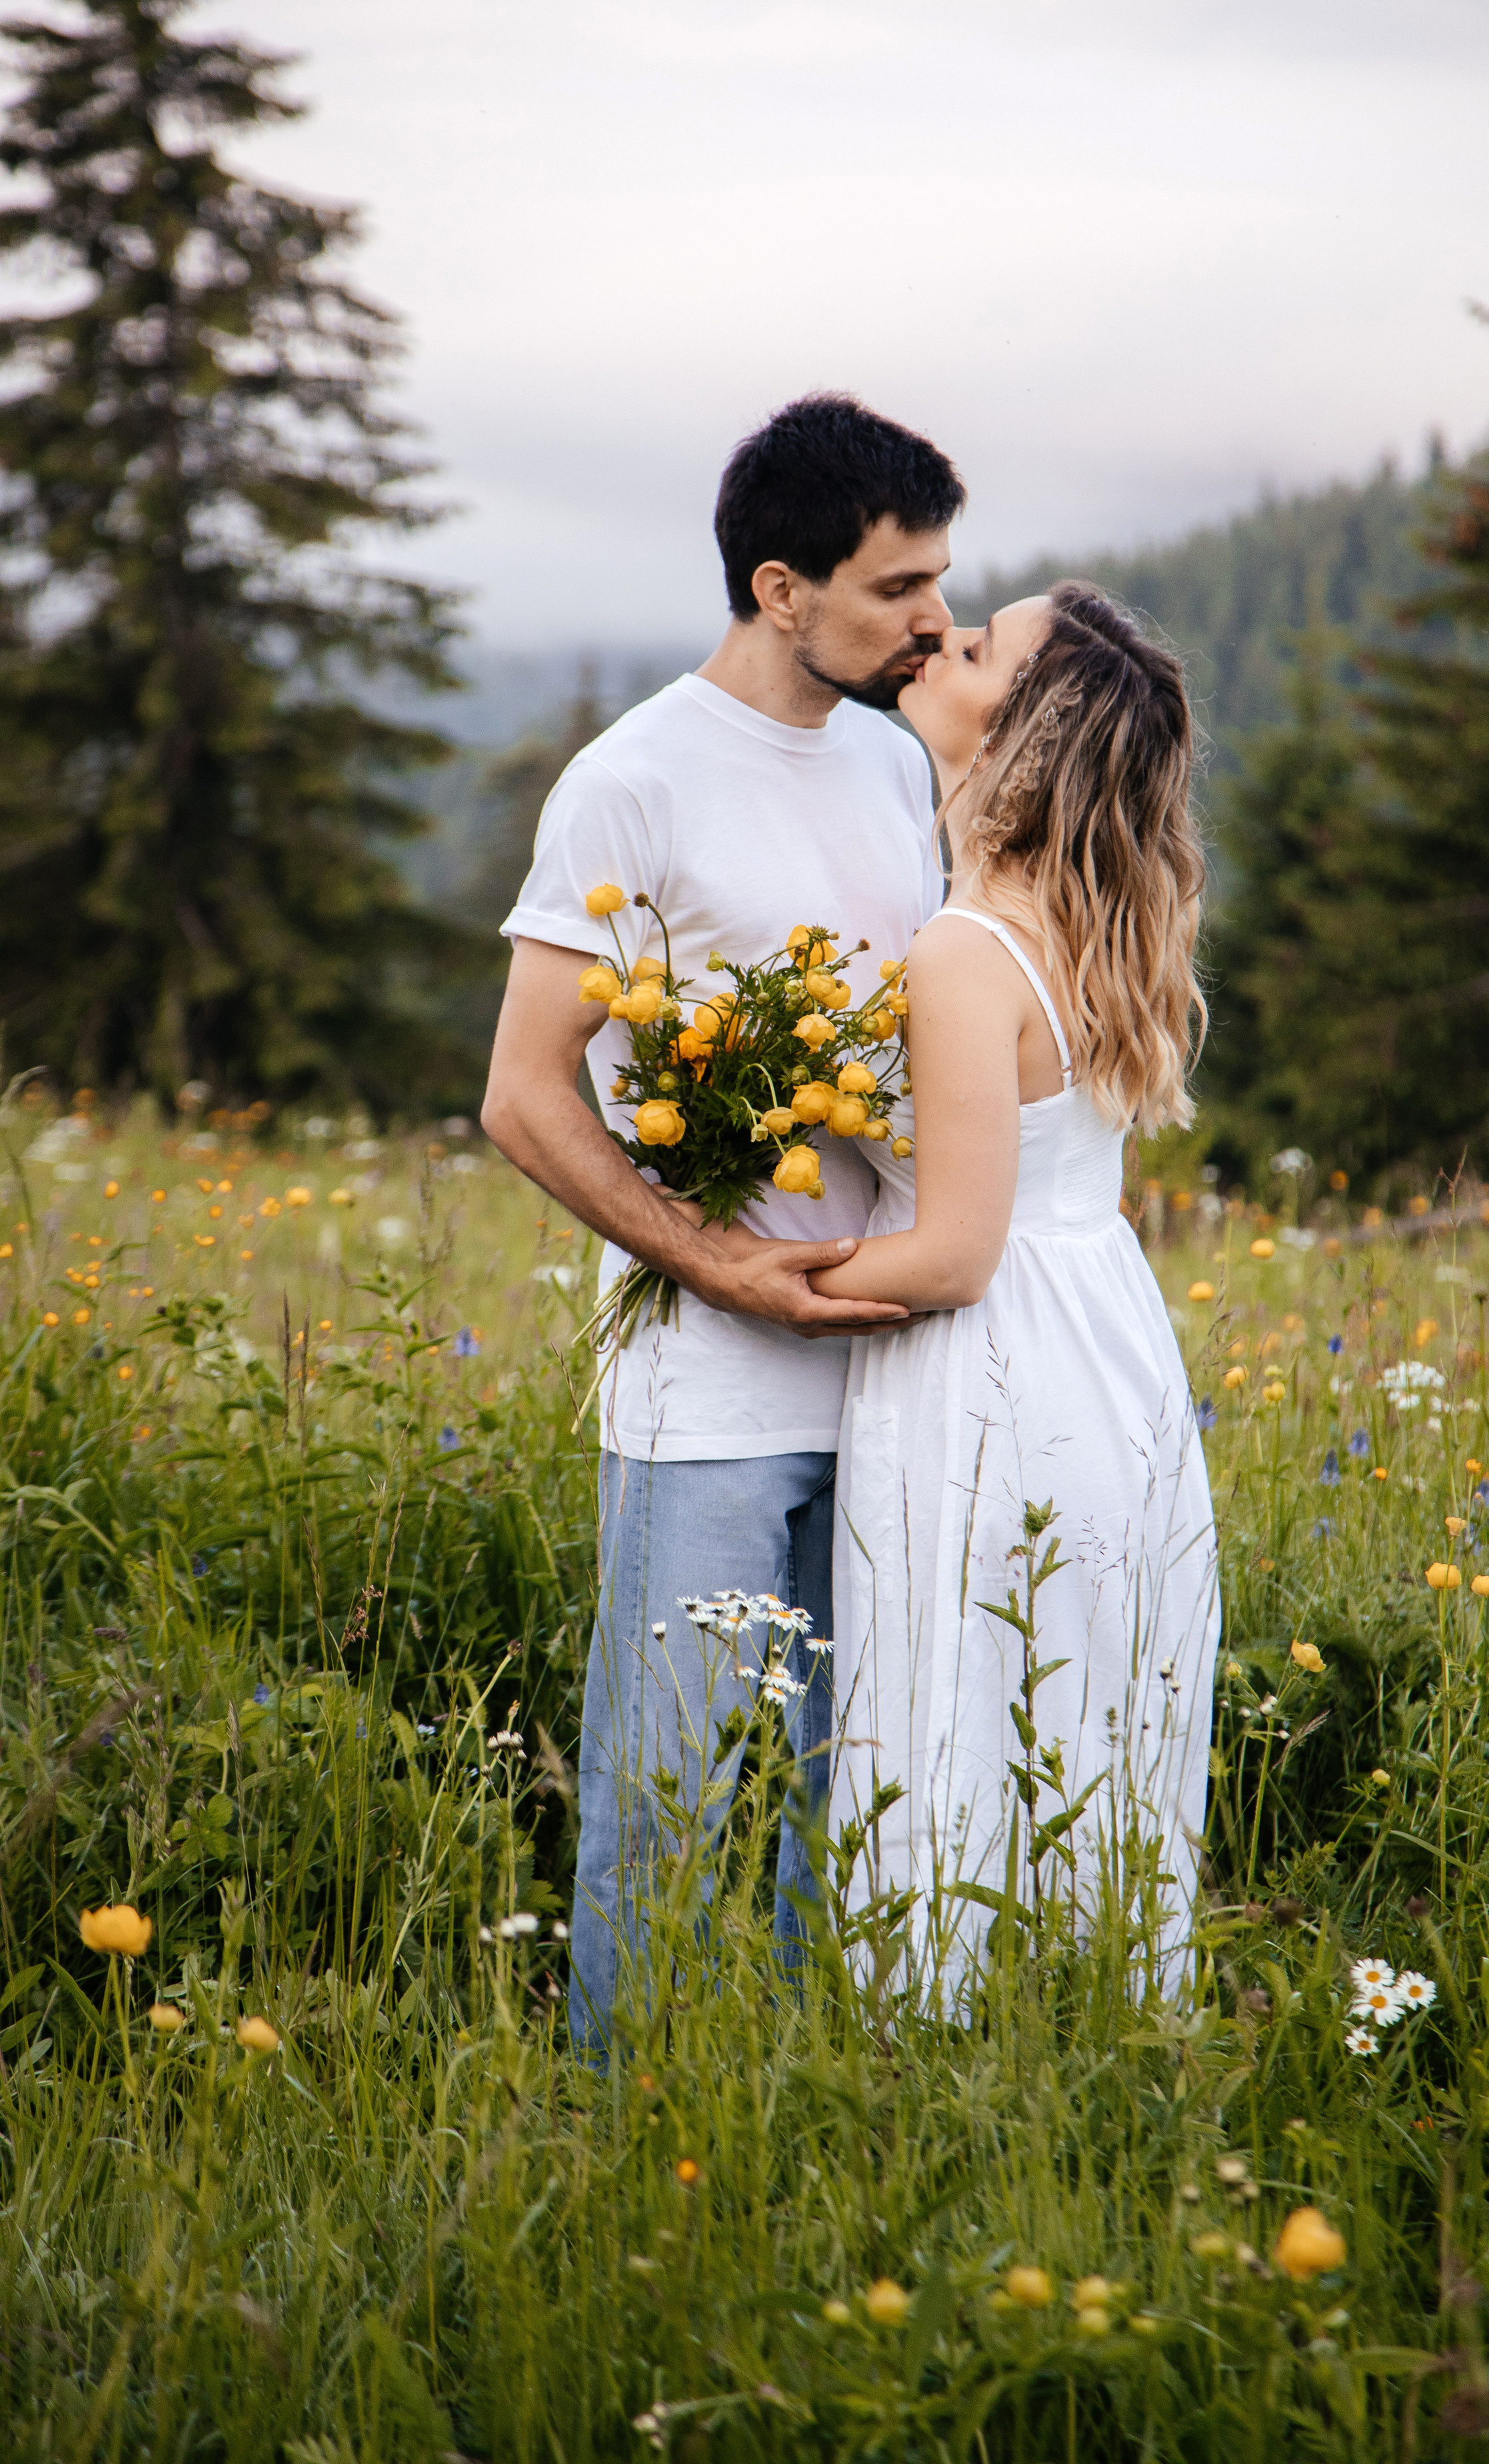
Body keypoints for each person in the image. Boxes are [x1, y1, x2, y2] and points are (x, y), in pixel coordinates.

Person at [481, 392, 964, 2052]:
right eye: (896, 588)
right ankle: (625, 2133)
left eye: (939, 581)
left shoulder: (899, 764)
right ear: (779, 588)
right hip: (705, 1389)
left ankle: (810, 2110)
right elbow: (526, 1095)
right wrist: (720, 1266)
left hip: (902, 1369)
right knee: (663, 1788)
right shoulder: (632, 780)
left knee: (860, 1790)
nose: (932, 619)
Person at [806, 581, 1221, 1998]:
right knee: (1083, 1700)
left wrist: (756, 1271)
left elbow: (950, 1254)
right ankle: (1090, 2015)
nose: (940, 639)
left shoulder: (963, 949)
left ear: (1028, 730)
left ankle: (926, 2033)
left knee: (954, 1696)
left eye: (977, 647)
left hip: (987, 1369)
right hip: (1105, 1350)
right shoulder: (1083, 925)